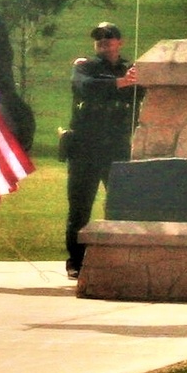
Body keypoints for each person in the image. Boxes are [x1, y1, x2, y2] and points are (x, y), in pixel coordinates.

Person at [63, 22, 140, 278]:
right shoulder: (84, 66)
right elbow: (86, 86)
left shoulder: (131, 69)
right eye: (99, 39)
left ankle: (118, 257)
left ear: (121, 42)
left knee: (122, 205)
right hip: (85, 146)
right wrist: (120, 83)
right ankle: (76, 260)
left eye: (110, 38)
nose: (104, 42)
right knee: (80, 207)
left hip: (116, 147)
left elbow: (141, 94)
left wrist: (130, 80)